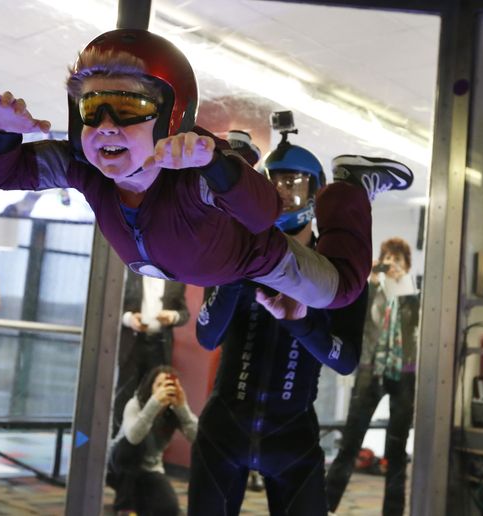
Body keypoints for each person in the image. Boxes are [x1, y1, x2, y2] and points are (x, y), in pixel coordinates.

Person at [0, 28, 413, 311]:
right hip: (200, 253)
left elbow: (264, 213)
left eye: (128, 106)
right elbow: (5, 174)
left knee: (337, 292)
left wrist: (216, 164)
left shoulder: (194, 167)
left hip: (250, 259)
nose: (106, 125)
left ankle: (351, 187)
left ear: (170, 115)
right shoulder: (85, 166)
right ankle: (239, 153)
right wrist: (0, 133)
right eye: (92, 106)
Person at [187, 137, 372, 515]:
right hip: (223, 430)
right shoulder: (231, 253)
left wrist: (304, 324)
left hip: (292, 438)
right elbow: (207, 336)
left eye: (296, 185)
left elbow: (346, 360)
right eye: (275, 183)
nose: (285, 194)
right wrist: (235, 272)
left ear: (316, 193)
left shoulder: (341, 273)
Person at [325, 237, 420, 516]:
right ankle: (325, 503)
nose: (392, 264)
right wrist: (374, 283)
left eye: (398, 259)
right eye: (388, 258)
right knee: (351, 440)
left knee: (397, 448)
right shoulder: (372, 290)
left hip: (404, 373)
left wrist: (403, 287)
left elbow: (412, 332)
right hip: (370, 368)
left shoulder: (411, 296)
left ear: (406, 265)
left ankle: (393, 511)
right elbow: (364, 321)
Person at [106, 365, 198, 516]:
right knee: (133, 447)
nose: (164, 389)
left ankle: (139, 500)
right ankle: (125, 507)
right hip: (119, 467)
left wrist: (183, 408)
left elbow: (197, 438)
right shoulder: (135, 404)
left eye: (168, 385)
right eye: (159, 385)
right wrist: (154, 404)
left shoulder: (173, 411)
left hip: (150, 470)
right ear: (151, 387)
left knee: (170, 510)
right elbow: (133, 437)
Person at [112, 274, 189, 437]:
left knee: (155, 395)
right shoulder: (129, 272)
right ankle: (117, 442)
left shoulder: (175, 277)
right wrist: (129, 319)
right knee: (124, 393)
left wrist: (173, 316)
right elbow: (112, 306)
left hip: (159, 345)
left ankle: (146, 445)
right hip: (133, 343)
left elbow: (184, 314)